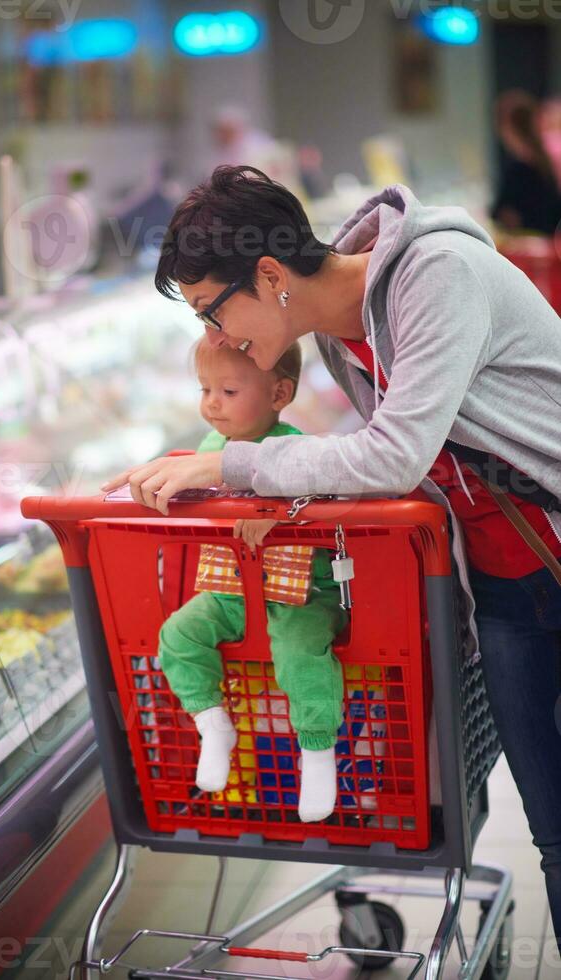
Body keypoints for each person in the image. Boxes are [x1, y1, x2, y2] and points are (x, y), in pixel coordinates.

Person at [102, 165, 561, 948]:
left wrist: (226, 467)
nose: (216, 339)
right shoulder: (345, 334)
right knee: (554, 830)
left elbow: (393, 456)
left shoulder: (436, 274)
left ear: (271, 275)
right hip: (509, 588)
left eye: (214, 309)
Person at [158, 336, 345, 822]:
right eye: (205, 390)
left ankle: (319, 754)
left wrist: (280, 513)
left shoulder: (295, 447)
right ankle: (212, 722)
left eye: (229, 392)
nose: (211, 404)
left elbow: (329, 497)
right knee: (177, 634)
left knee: (300, 655)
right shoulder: (209, 447)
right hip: (230, 588)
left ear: (279, 395)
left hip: (300, 593)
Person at [491, 89, 561, 235]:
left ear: (506, 127)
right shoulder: (545, 159)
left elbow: (502, 215)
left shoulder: (519, 169)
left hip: (528, 247)